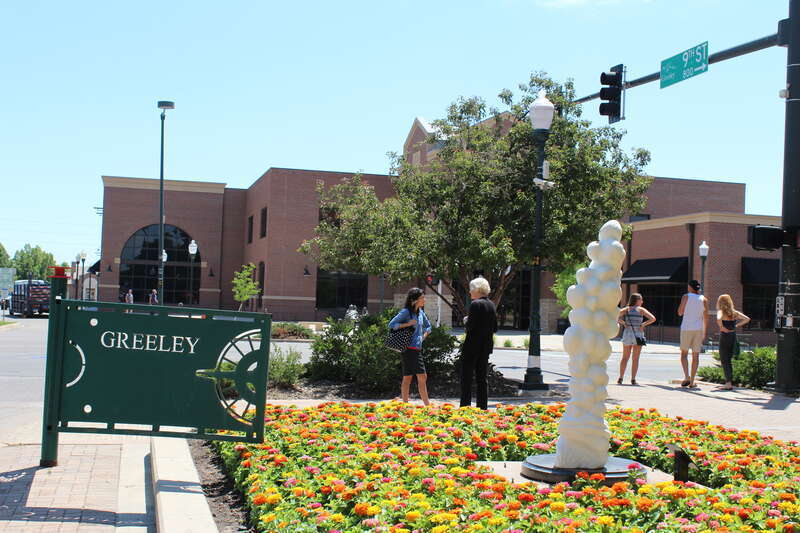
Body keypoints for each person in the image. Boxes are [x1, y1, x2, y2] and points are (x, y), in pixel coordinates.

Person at [388, 288, 432, 405]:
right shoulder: (406, 312)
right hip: (408, 348)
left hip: (417, 348)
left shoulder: (421, 313)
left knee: (408, 377)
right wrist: (408, 324)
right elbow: (391, 325)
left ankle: (405, 405)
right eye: (422, 298)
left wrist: (423, 337)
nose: (424, 300)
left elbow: (429, 327)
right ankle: (427, 405)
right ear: (414, 300)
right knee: (422, 376)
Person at [460, 277, 497, 410]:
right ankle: (482, 407)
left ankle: (465, 407)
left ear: (477, 290)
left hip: (472, 346)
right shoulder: (491, 305)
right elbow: (495, 328)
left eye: (471, 289)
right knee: (482, 378)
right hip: (485, 346)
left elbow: (470, 326)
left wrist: (466, 320)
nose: (470, 292)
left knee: (466, 378)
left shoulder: (475, 304)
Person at [616, 293, 656, 385]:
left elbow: (614, 316)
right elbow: (653, 318)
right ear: (637, 300)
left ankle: (621, 378)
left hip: (628, 333)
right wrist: (643, 324)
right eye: (641, 300)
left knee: (625, 357)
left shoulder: (626, 309)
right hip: (638, 334)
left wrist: (623, 323)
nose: (642, 301)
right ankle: (633, 379)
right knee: (635, 359)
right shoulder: (641, 310)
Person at [677, 279, 709, 388]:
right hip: (698, 329)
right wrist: (704, 332)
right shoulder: (704, 299)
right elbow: (706, 317)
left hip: (686, 328)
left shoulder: (686, 297)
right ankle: (692, 381)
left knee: (684, 354)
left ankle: (686, 376)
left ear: (690, 287)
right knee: (696, 355)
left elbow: (680, 312)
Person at [716, 294, 750, 391]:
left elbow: (718, 318)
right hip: (733, 336)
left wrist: (722, 327)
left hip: (724, 336)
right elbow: (747, 319)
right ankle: (729, 382)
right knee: (729, 360)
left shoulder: (721, 311)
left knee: (724, 359)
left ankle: (728, 383)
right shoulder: (734, 312)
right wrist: (737, 326)